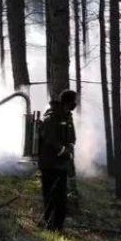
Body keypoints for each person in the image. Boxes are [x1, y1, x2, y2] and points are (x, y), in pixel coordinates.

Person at [38, 89, 77, 231]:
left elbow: (72, 137)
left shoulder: (68, 117)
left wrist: (70, 148)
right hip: (49, 164)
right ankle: (49, 225)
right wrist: (63, 151)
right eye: (73, 101)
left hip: (61, 165)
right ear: (67, 102)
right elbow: (50, 139)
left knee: (61, 199)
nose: (75, 104)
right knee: (49, 196)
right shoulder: (52, 116)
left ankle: (58, 227)